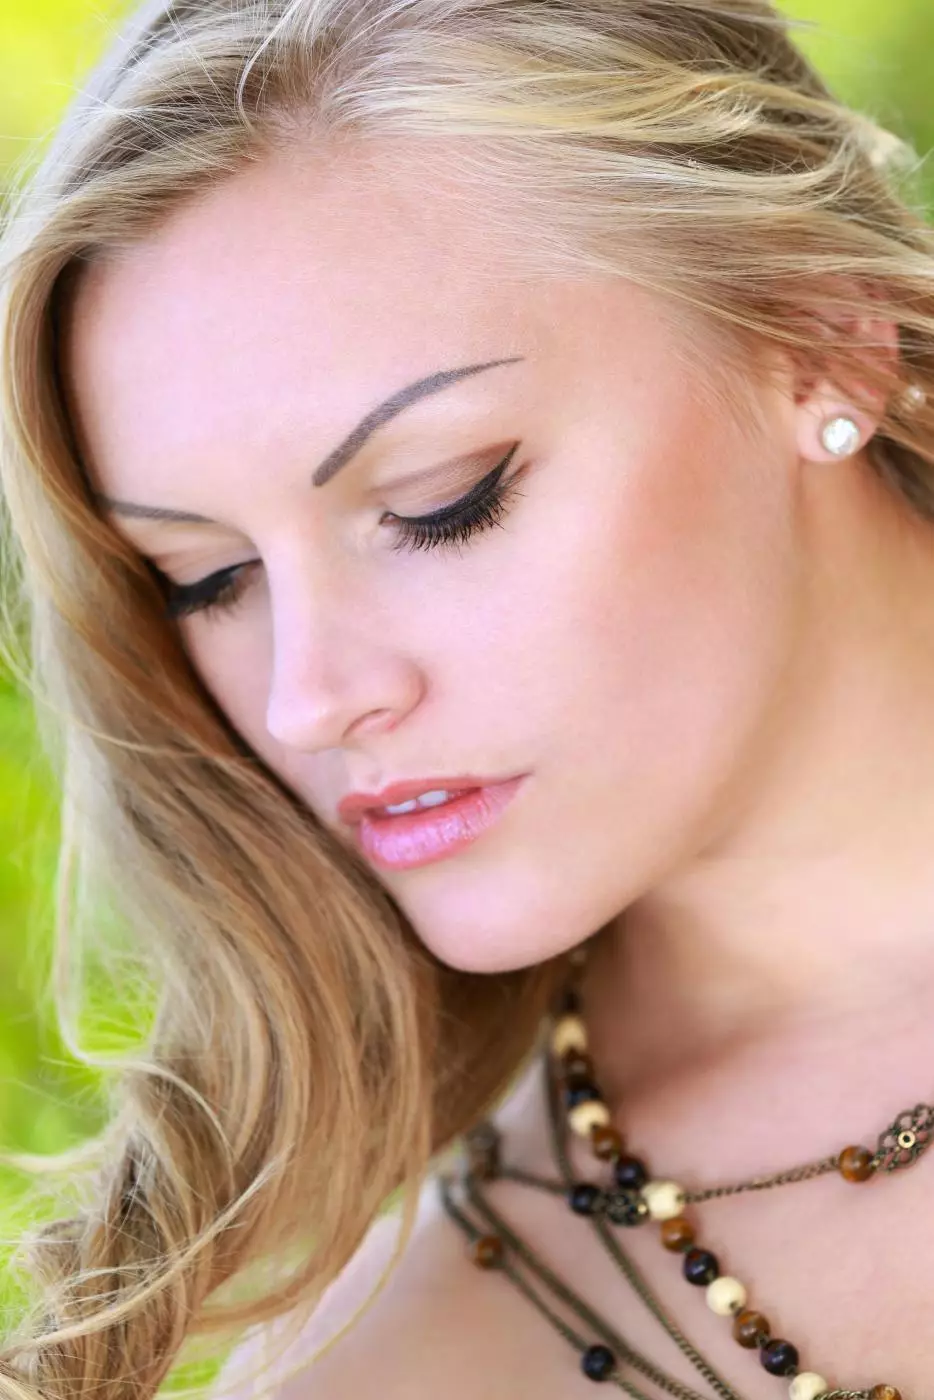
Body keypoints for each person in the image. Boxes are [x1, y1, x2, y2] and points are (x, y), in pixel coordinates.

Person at [1, 0, 933, 1396]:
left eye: (443, 504)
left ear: (822, 332)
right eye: (208, 580)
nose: (311, 698)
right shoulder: (404, 1357)